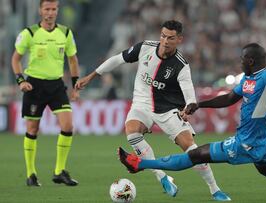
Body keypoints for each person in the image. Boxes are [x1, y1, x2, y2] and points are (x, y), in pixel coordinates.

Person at [119, 43, 266, 203]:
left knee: (195, 156)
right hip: (264, 136)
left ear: (250, 60)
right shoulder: (249, 79)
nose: (240, 61)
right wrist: (200, 105)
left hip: (247, 142)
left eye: (242, 58)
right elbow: (229, 98)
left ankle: (140, 164)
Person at [75, 20, 230, 201]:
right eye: (163, 36)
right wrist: (92, 75)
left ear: (179, 39)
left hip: (168, 109)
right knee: (132, 132)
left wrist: (188, 109)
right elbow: (118, 59)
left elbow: (189, 95)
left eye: (170, 38)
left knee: (192, 150)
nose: (165, 41)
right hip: (141, 104)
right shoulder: (145, 48)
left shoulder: (181, 66)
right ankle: (163, 177)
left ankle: (214, 189)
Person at [11, 0, 79, 186]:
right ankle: (31, 174)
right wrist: (21, 81)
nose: (50, 12)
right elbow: (15, 59)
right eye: (47, 9)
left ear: (57, 11)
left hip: (56, 85)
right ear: (40, 11)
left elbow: (72, 60)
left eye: (53, 9)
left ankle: (59, 171)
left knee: (68, 125)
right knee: (32, 130)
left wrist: (75, 85)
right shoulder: (30, 33)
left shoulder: (65, 33)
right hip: (34, 86)